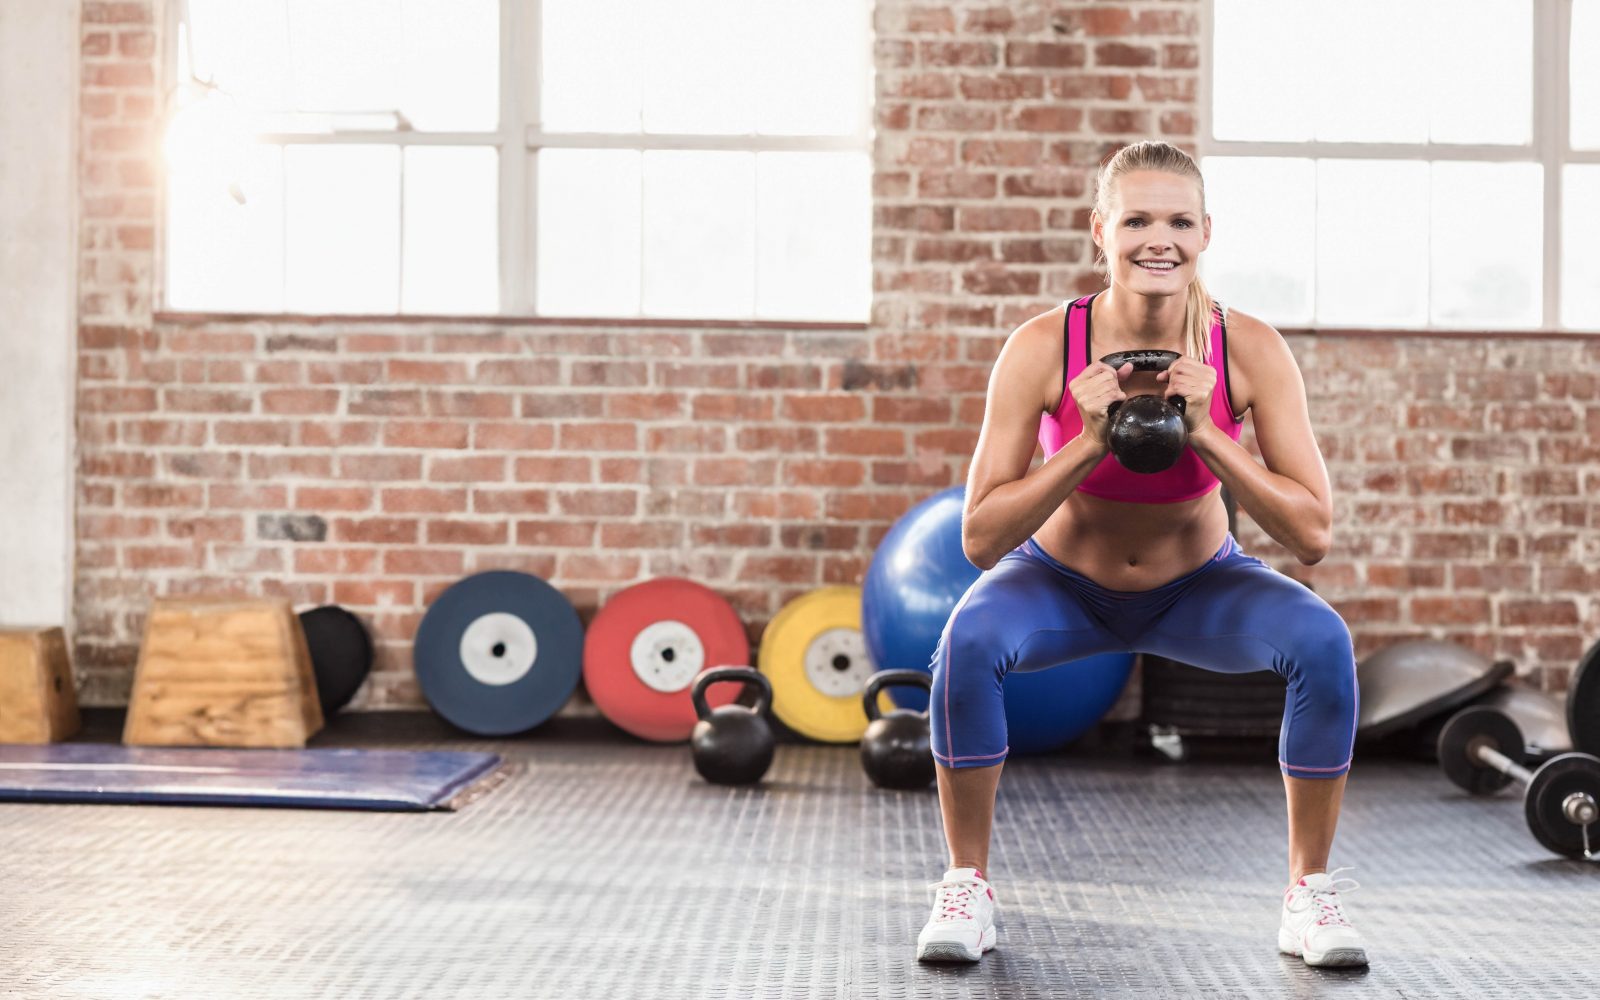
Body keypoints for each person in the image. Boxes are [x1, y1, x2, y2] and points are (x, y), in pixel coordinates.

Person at [914, 141, 1366, 969]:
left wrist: (1207, 435)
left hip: (1200, 588)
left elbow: (1312, 535)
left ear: (1205, 234)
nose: (1158, 238)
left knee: (1323, 642)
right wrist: (1085, 445)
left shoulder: (1250, 350)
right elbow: (981, 539)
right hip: (1058, 586)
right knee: (966, 645)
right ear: (1101, 231)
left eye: (1179, 221)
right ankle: (965, 885)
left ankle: (1309, 894)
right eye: (1137, 220)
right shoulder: (1043, 346)